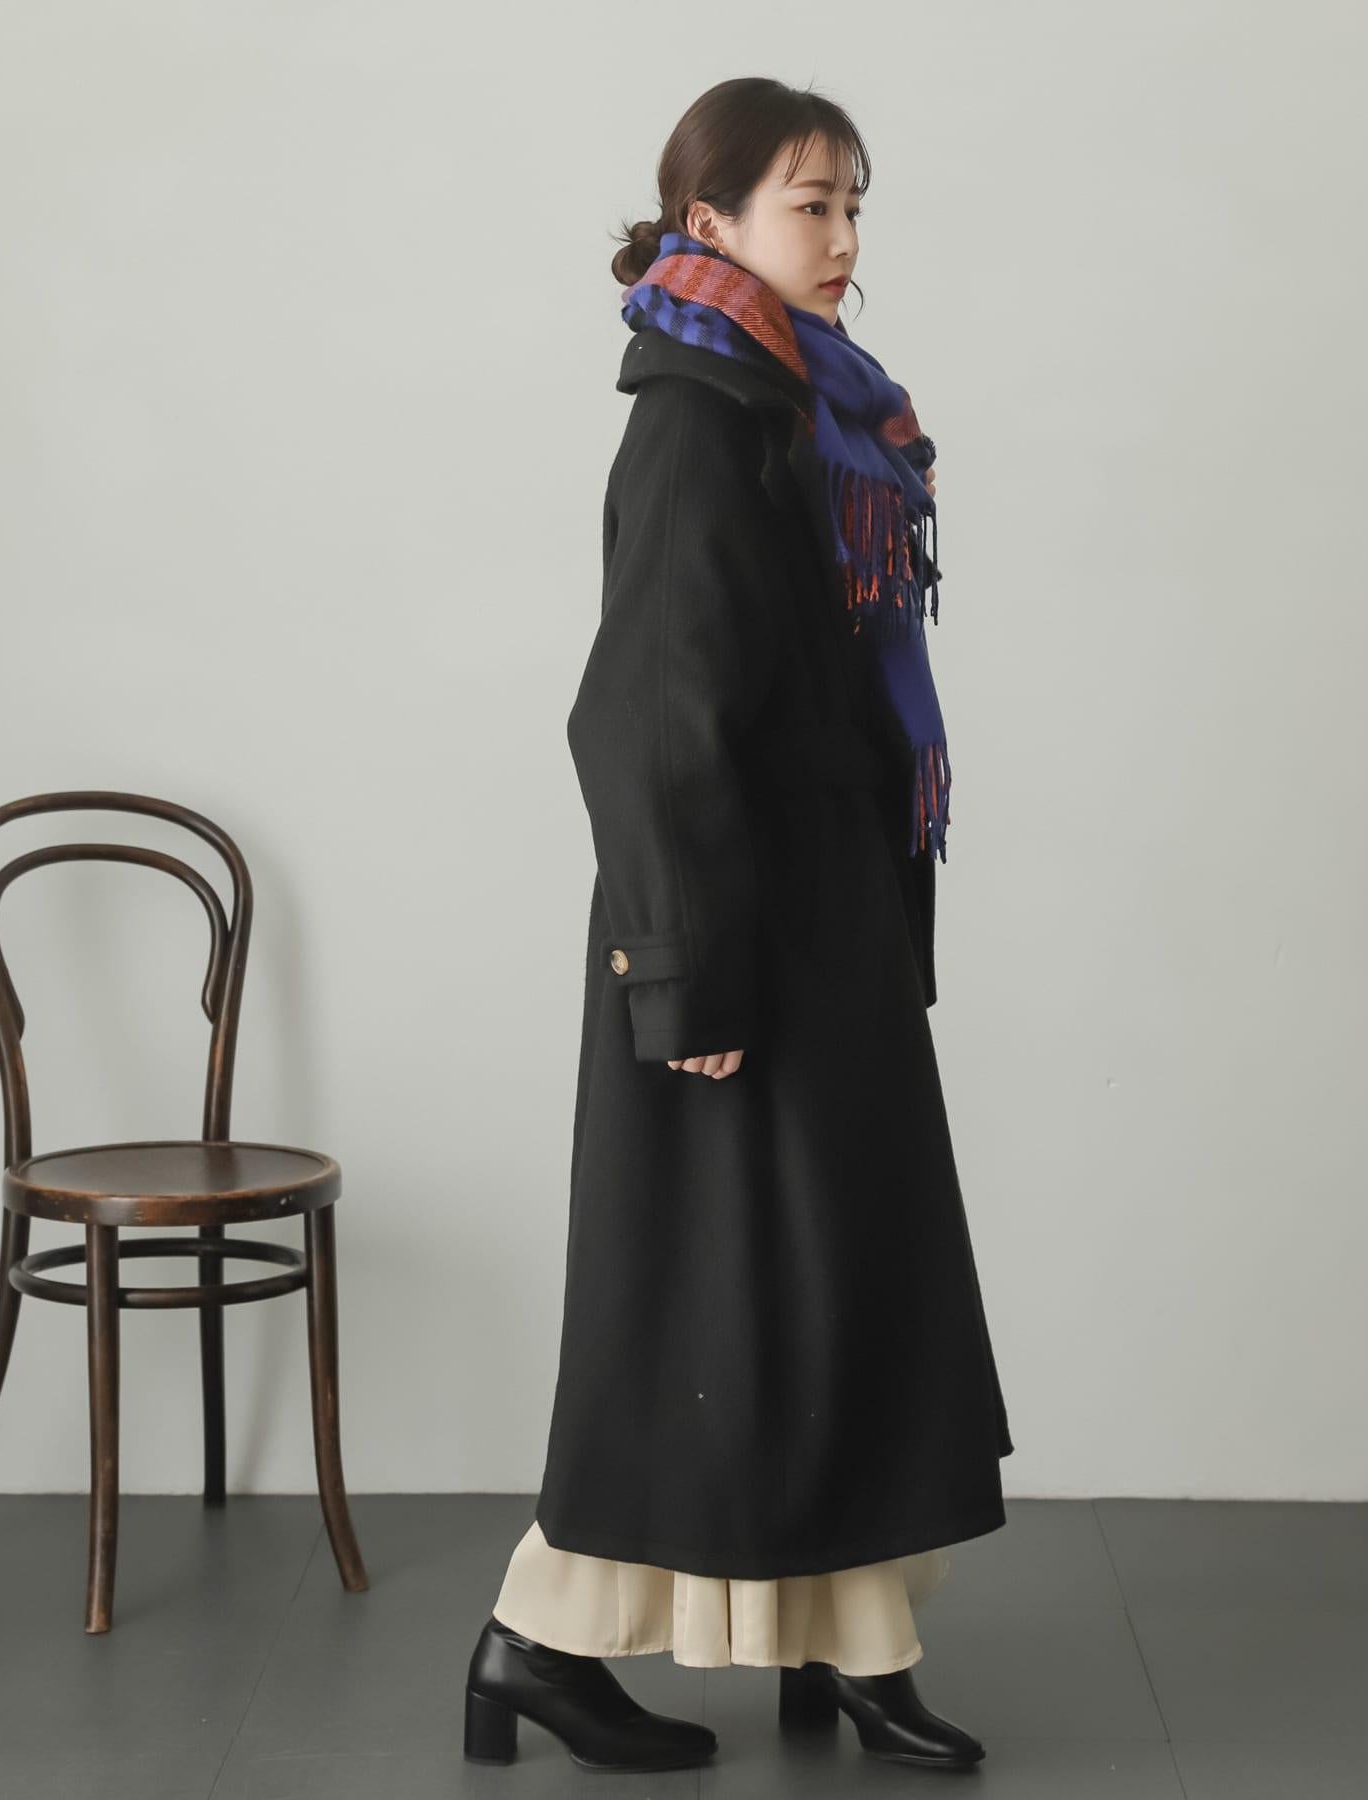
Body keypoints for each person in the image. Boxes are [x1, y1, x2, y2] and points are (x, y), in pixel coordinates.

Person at [463, 76, 1014, 1775]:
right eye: (810, 205)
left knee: (827, 1298)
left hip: (821, 923)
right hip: (731, 937)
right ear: (711, 223)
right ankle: (531, 1646)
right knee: (722, 1315)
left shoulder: (807, 402)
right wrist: (684, 976)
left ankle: (848, 1643)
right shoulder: (703, 421)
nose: (843, 239)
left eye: (855, 206)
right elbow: (644, 717)